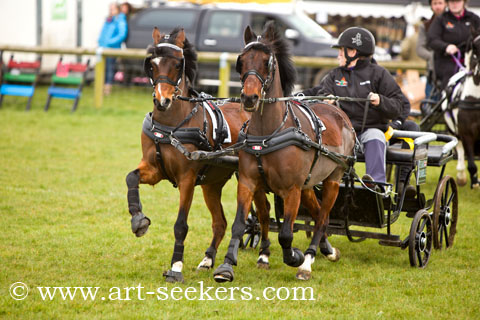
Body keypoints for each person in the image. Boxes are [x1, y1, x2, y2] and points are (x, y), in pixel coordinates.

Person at [302, 27, 405, 187]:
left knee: (376, 137)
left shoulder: (379, 74)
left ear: (354, 52)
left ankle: (377, 186)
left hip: (368, 131)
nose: (338, 55)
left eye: (342, 51)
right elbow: (323, 92)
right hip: (340, 133)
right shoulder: (334, 76)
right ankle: (322, 184)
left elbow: (399, 105)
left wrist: (381, 101)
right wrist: (325, 100)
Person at [427, 0, 480, 90]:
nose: (455, 4)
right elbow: (432, 39)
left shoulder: (473, 18)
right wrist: (446, 47)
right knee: (450, 75)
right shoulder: (441, 19)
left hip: (470, 61)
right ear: (447, 3)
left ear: (464, 2)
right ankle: (447, 100)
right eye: (452, 2)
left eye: (458, 1)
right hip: (448, 61)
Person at [416, 0, 446, 104]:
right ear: (431, 6)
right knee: (429, 106)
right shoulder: (426, 25)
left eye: (440, 3)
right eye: (435, 3)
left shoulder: (453, 24)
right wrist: (433, 57)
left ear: (446, 4)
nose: (438, 6)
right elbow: (420, 49)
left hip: (452, 69)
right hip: (433, 72)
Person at [98, 3, 128, 95]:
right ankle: (101, 87)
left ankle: (107, 89)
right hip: (103, 48)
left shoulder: (120, 20)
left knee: (109, 68)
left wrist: (110, 42)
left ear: (118, 10)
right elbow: (104, 33)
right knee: (102, 68)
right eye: (110, 9)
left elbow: (122, 35)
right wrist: (100, 42)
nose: (110, 11)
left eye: (113, 9)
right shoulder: (109, 20)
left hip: (112, 49)